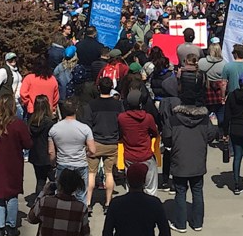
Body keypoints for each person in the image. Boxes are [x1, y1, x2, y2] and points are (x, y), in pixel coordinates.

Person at [161, 89, 218, 232]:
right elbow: (211, 135)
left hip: (179, 160)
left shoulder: (173, 119)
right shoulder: (204, 119)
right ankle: (197, 222)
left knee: (180, 192)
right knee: (197, 191)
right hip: (198, 160)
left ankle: (180, 224)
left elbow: (166, 137)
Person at [0, 91, 33, 236]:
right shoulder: (18, 124)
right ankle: (10, 226)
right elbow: (28, 143)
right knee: (11, 194)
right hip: (13, 163)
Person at [83, 75, 124, 213]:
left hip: (95, 142)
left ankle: (88, 203)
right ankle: (108, 203)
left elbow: (87, 125)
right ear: (112, 88)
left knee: (91, 173)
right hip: (112, 142)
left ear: (98, 87)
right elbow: (122, 123)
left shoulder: (91, 105)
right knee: (109, 173)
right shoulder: (118, 105)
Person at [48, 99, 96, 208]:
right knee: (81, 195)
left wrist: (53, 163)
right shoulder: (85, 128)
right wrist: (86, 154)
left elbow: (51, 152)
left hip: (62, 163)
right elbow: (93, 150)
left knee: (61, 194)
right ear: (76, 110)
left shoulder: (54, 129)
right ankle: (81, 218)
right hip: (80, 164)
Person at [118, 89, 160, 195]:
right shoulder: (148, 118)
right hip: (145, 155)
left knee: (131, 186)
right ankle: (150, 208)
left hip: (129, 156)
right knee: (150, 187)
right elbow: (155, 132)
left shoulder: (122, 118)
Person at [28, 94, 57, 197]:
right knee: (55, 181)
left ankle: (39, 202)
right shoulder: (50, 123)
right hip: (47, 156)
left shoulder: (31, 121)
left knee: (40, 181)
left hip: (36, 155)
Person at [198, 42, 227, 123]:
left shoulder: (201, 62)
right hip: (219, 93)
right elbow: (224, 82)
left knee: (205, 116)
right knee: (221, 115)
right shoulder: (224, 64)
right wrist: (224, 96)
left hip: (206, 92)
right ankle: (221, 133)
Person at [0, 52, 24, 116]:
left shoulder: (16, 70)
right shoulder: (3, 71)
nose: (13, 61)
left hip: (17, 101)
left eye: (14, 59)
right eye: (11, 59)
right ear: (6, 60)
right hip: (7, 101)